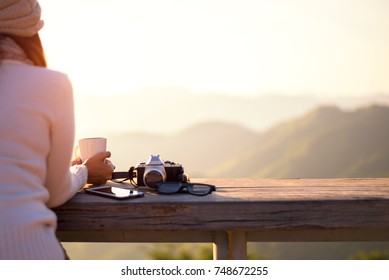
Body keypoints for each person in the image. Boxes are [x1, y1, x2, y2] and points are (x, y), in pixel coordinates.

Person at [0, 0, 113, 259]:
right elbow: (55, 193)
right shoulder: (52, 84)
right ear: (30, 32)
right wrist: (82, 170)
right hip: (27, 250)